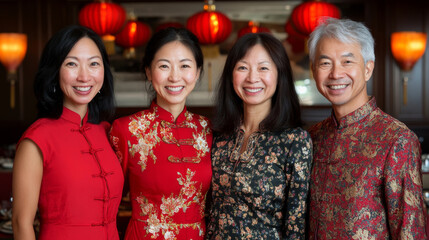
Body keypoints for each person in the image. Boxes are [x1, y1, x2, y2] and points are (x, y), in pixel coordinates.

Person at [307, 18, 427, 239]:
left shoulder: (396, 139)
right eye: (325, 63)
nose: (335, 74)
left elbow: (411, 232)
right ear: (314, 71)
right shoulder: (311, 138)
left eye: (347, 62)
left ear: (368, 69)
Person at [12, 25, 124, 240]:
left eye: (93, 64)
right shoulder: (37, 139)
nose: (84, 76)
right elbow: (21, 223)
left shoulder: (107, 132)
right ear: (55, 72)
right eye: (72, 64)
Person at [206, 33, 312, 239]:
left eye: (263, 68)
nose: (252, 78)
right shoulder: (218, 136)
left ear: (280, 74)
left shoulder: (295, 141)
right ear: (231, 75)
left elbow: (296, 225)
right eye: (243, 67)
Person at [109, 27, 212, 240]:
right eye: (164, 66)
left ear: (198, 72)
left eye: (185, 66)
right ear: (148, 71)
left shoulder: (208, 130)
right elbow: (108, 201)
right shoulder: (127, 130)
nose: (175, 76)